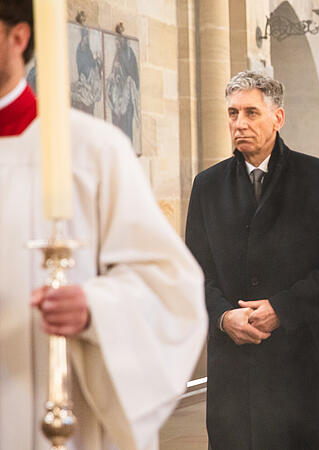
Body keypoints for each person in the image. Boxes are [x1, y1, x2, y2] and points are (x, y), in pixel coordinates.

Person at [0, 2, 207, 448]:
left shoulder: (91, 150)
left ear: (17, 38)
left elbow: (171, 288)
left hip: (50, 413)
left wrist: (95, 308)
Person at [185, 71, 319, 448]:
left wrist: (283, 308)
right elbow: (193, 271)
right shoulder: (208, 186)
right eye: (233, 113)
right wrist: (223, 316)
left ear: (277, 118)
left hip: (303, 367)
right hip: (235, 370)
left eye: (251, 112)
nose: (239, 123)